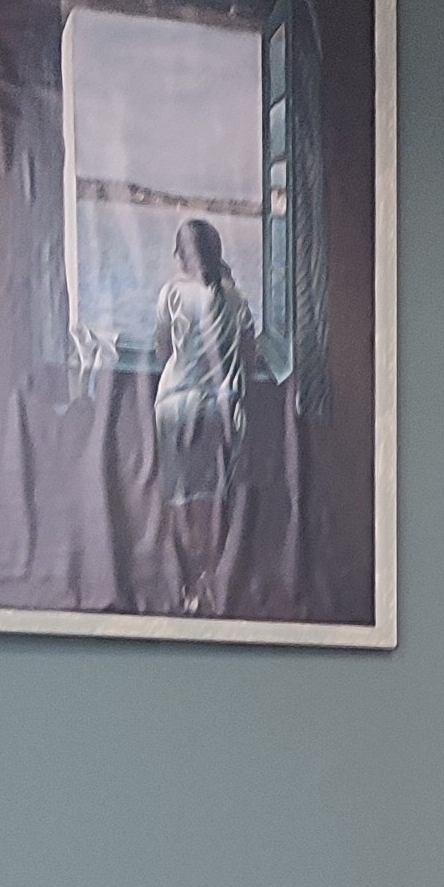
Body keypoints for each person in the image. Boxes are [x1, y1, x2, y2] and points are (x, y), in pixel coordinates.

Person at [151, 216, 257, 611]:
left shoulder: (171, 294)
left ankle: (187, 588)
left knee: (179, 496)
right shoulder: (236, 298)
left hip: (175, 405)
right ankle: (210, 583)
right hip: (220, 409)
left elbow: (162, 350)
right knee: (217, 499)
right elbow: (250, 354)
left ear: (181, 256)